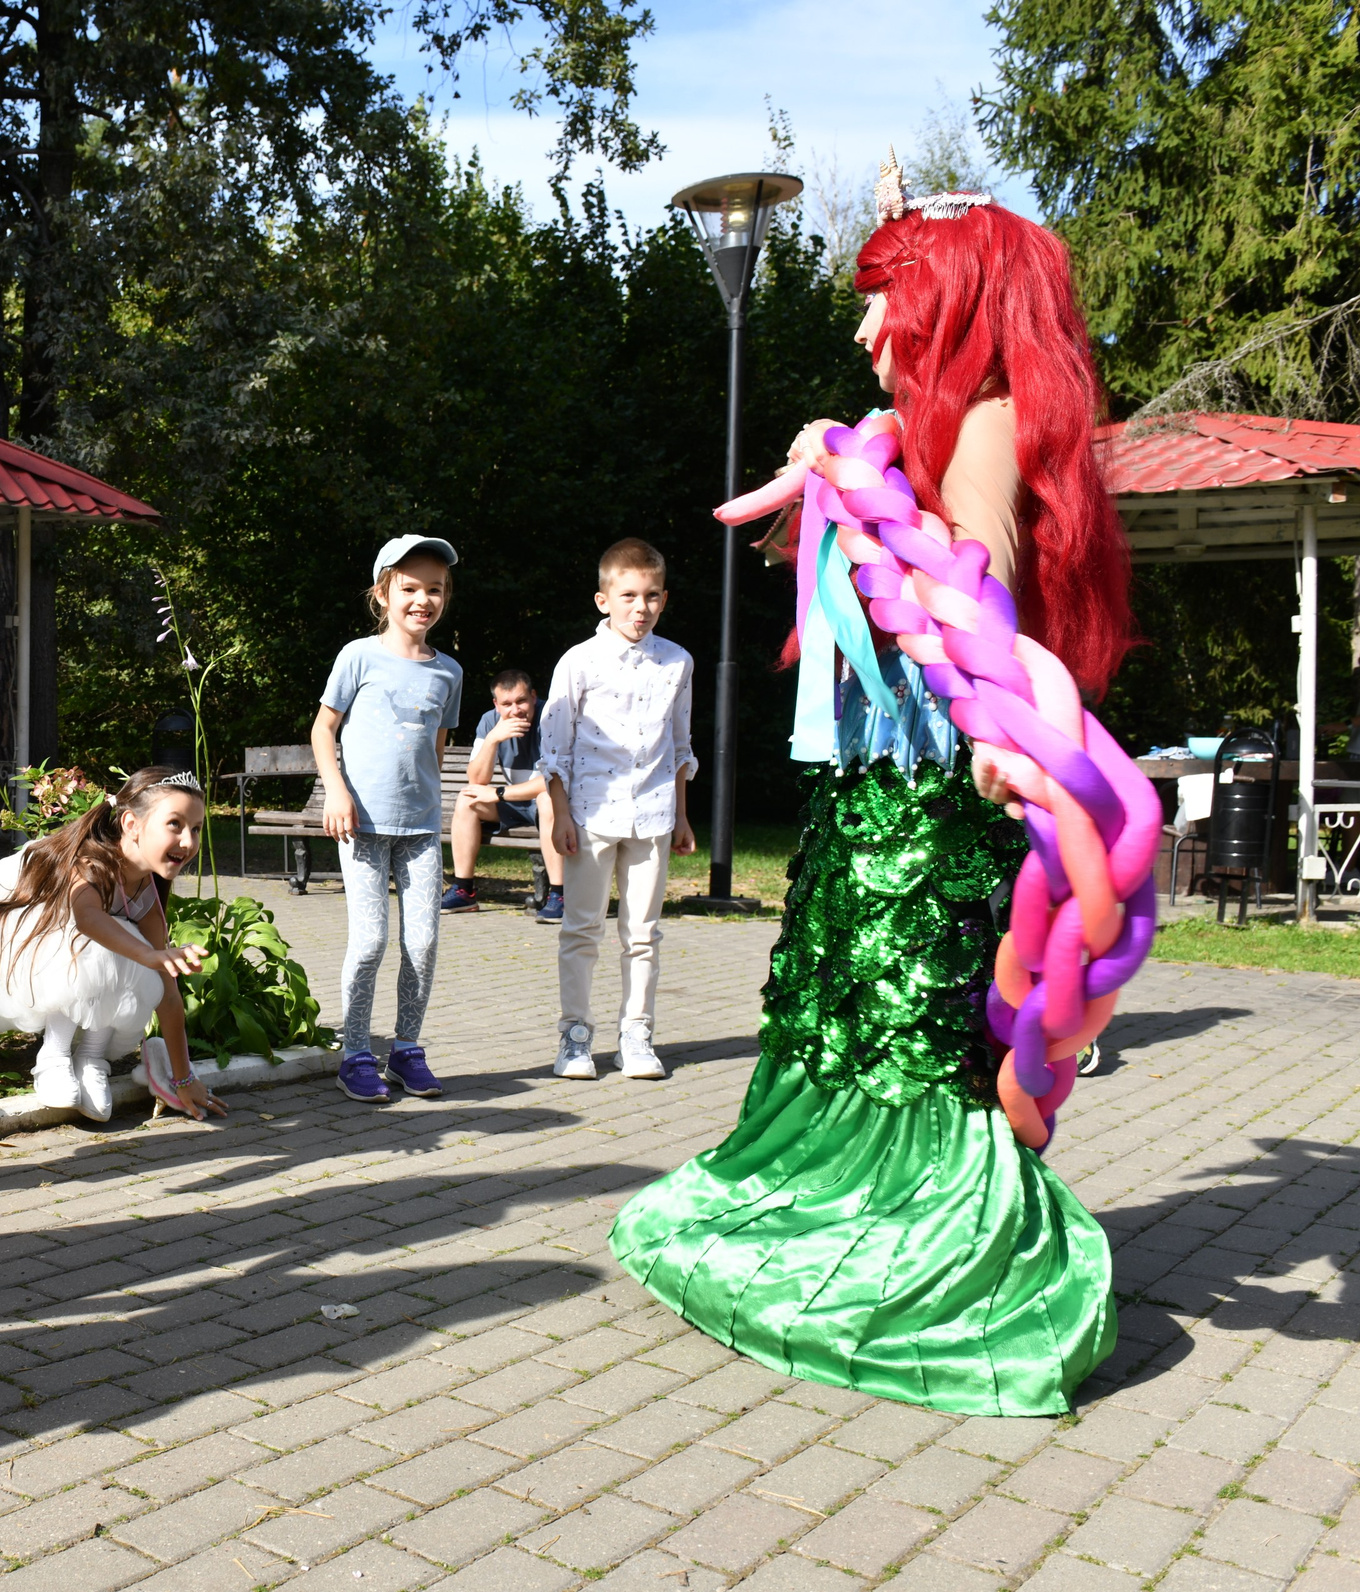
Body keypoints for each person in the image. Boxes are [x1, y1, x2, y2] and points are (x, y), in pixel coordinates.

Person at [606, 168, 1129, 1416]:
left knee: (910, 1020)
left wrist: (989, 733)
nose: (861, 328)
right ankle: (837, 1200)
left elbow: (974, 590)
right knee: (846, 1002)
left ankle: (933, 1248)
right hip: (877, 780)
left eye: (883, 300)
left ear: (945, 306)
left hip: (933, 794)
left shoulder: (988, 418)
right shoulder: (927, 424)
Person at [0, 769, 228, 1123]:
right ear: (131, 823)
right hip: (16, 925)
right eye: (174, 824)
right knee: (105, 941)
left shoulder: (147, 898)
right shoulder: (91, 862)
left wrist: (184, 1078)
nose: (188, 842)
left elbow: (169, 996)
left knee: (134, 957)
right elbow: (86, 918)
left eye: (196, 828)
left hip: (74, 938)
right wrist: (150, 954)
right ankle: (54, 1055)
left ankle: (91, 1057)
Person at [315, 535, 465, 1105]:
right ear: (383, 592)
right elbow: (323, 729)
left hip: (422, 830)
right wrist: (337, 791)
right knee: (372, 939)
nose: (422, 599)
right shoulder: (358, 656)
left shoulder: (447, 670)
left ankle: (406, 1049)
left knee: (423, 943)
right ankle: (355, 1053)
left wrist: (428, 803)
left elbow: (437, 744)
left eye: (435, 589)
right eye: (409, 588)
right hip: (361, 827)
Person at [539, 539, 696, 1082]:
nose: (641, 607)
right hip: (589, 815)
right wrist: (559, 814)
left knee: (644, 933)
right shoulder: (578, 662)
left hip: (653, 815)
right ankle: (575, 1036)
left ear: (664, 598)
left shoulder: (677, 662)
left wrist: (681, 813)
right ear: (604, 599)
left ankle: (637, 1034)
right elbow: (556, 749)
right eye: (628, 595)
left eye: (652, 596)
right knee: (582, 929)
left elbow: (679, 746)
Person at [440, 669, 565, 918]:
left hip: (553, 801)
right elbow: (476, 779)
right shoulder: (489, 721)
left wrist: (498, 793)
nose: (515, 710)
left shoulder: (553, 717)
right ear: (496, 704)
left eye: (521, 701)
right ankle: (464, 891)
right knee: (467, 799)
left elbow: (554, 780)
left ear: (533, 696)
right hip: (515, 803)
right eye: (506, 704)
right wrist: (492, 740)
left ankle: (560, 894)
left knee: (547, 798)